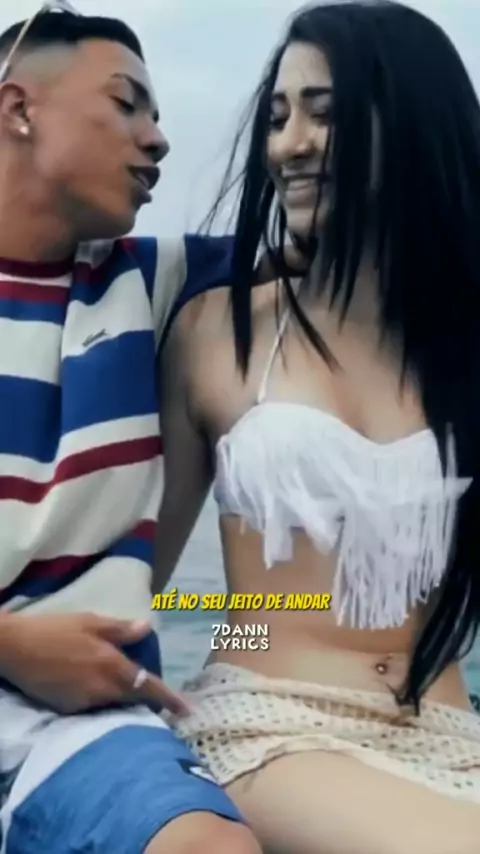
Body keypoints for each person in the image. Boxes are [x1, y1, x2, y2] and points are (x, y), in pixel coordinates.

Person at [156, 2, 480, 852]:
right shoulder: (218, 334)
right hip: (269, 725)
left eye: (324, 114)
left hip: (449, 732)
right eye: (278, 117)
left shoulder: (464, 351)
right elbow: (142, 582)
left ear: (413, 126)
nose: (290, 144)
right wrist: (246, 630)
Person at [0, 7, 263, 854]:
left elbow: (346, 242)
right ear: (18, 108)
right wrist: (10, 646)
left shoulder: (153, 283)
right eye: (126, 104)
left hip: (85, 729)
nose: (157, 139)